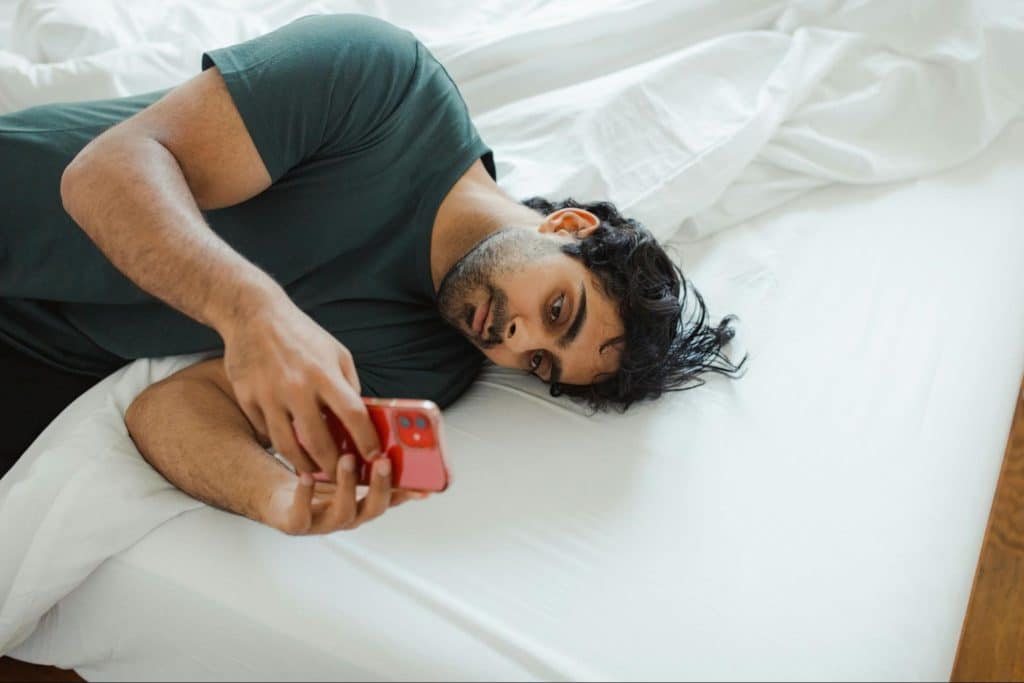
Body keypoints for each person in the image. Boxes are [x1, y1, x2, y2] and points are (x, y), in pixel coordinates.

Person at [0, 13, 744, 532]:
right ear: (568, 228)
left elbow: (163, 411)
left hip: (39, 363)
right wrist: (253, 310)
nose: (515, 342)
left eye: (540, 363)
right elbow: (102, 174)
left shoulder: (425, 364)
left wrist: (280, 500)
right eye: (557, 310)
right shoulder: (386, 88)